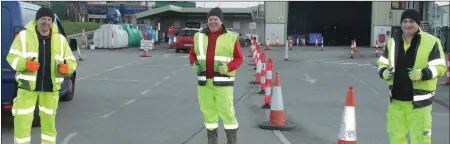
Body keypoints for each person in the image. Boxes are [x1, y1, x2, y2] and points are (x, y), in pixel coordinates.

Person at [6, 7, 77, 144]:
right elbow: (11, 57)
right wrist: (25, 64)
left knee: (49, 127)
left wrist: (67, 67)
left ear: (52, 22)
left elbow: (72, 61)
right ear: (37, 20)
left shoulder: (60, 40)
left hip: (50, 91)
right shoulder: (23, 36)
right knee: (22, 125)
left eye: (49, 19)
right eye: (43, 19)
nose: (46, 22)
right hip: (27, 89)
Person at [377, 9, 447, 144]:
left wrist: (423, 73)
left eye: (412, 21)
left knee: (420, 140)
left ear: (418, 23)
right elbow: (382, 63)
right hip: (396, 102)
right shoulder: (392, 42)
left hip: (420, 103)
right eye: (405, 21)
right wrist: (384, 71)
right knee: (396, 138)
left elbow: (440, 67)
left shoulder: (432, 42)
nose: (408, 25)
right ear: (401, 24)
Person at [189, 7, 244, 144]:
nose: (213, 22)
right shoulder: (198, 36)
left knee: (228, 114)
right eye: (210, 19)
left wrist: (228, 67)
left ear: (221, 21)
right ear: (207, 21)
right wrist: (194, 63)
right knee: (209, 115)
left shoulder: (231, 37)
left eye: (216, 19)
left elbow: (239, 58)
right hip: (204, 84)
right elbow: (192, 54)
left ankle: (232, 141)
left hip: (223, 84)